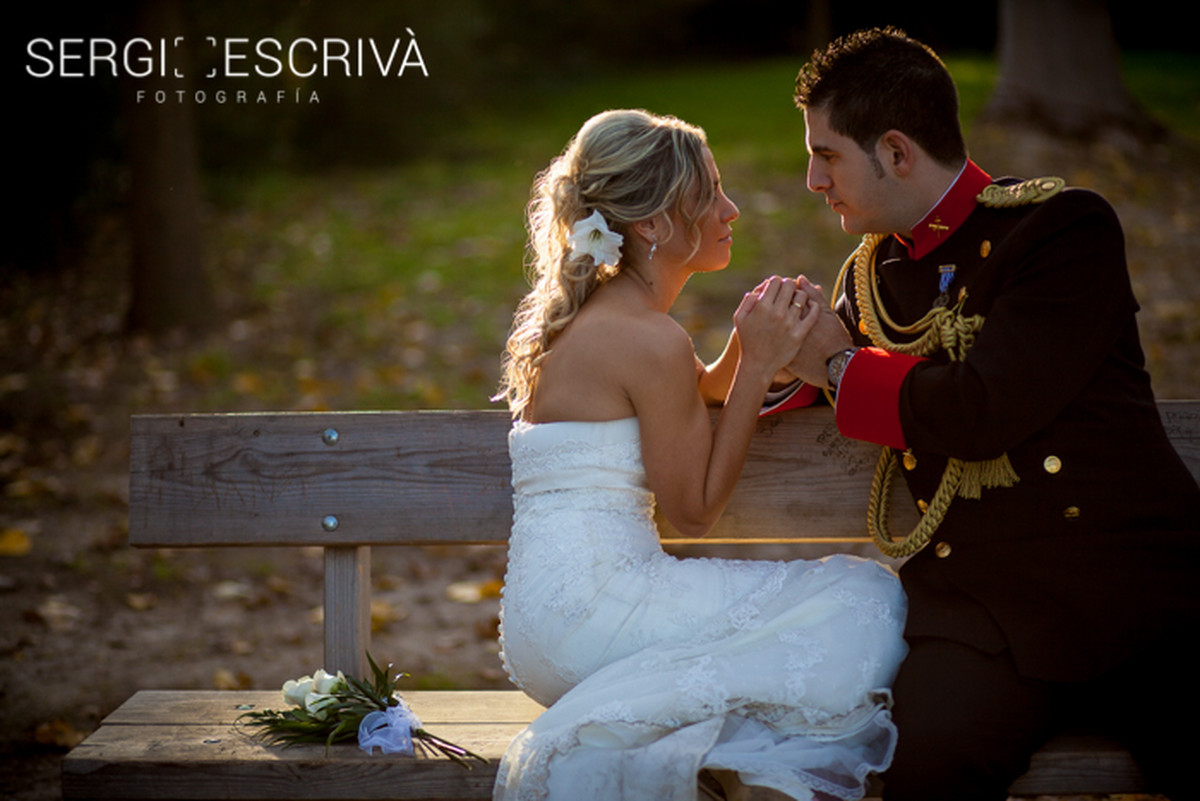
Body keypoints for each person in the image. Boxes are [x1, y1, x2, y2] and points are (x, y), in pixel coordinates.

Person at [778, 27, 1200, 801]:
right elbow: (809, 381)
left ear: (898, 152)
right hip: (986, 615)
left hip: (1139, 597)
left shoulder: (1060, 230)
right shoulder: (874, 273)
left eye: (826, 154)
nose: (812, 179)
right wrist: (771, 346)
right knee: (927, 768)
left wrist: (836, 364)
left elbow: (983, 407)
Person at [493, 108, 908, 801]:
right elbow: (692, 510)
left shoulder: (594, 322)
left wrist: (751, 345)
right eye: (709, 193)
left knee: (833, 613)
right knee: (865, 599)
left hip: (544, 626)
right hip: (602, 613)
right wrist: (757, 368)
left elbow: (681, 397)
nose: (731, 208)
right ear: (653, 223)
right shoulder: (648, 340)